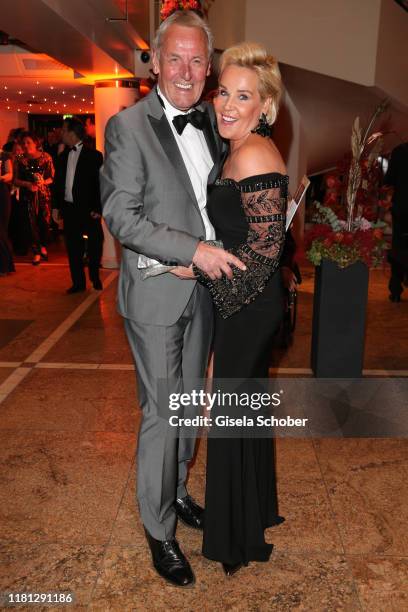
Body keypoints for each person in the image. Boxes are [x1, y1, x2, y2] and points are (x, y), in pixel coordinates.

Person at [100, 10, 245, 588]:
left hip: (204, 293)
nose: (185, 70)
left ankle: (178, 490)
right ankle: (159, 531)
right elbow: (120, 215)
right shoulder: (126, 126)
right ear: (155, 62)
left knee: (190, 404)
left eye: (196, 60)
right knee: (162, 413)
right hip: (158, 290)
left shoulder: (214, 121)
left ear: (208, 68)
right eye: (174, 58)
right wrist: (191, 252)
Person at [183, 42, 287, 575]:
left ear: (264, 107)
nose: (226, 103)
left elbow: (266, 252)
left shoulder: (252, 154)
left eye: (242, 96)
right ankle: (250, 515)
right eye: (224, 90)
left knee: (227, 413)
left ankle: (233, 541)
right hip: (243, 297)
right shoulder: (239, 146)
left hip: (250, 302)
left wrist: (198, 267)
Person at [54, 117, 104, 293]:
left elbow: (100, 185)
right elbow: (58, 184)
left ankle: (94, 276)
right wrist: (56, 207)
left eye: (64, 130)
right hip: (69, 208)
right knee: (73, 247)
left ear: (73, 133)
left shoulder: (94, 156)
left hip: (89, 209)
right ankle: (78, 283)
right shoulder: (62, 157)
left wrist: (98, 209)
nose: (62, 133)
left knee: (95, 244)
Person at [14, 132, 54, 265]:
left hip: (43, 195)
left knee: (44, 222)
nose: (25, 145)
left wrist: (42, 182)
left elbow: (52, 178)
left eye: (28, 142)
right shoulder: (20, 159)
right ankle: (36, 251)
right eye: (23, 143)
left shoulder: (46, 157)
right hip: (28, 196)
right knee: (31, 224)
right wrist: (28, 184)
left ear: (36, 143)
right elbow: (15, 179)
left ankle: (43, 246)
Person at [384, 142, 408, 302]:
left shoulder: (399, 151)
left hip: (402, 207)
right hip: (401, 206)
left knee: (399, 246)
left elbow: (389, 179)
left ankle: (395, 290)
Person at [0, 147, 15, 275]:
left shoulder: (4, 155)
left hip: (1, 193)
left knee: (1, 230)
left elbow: (10, 174)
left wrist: (1, 177)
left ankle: (5, 266)